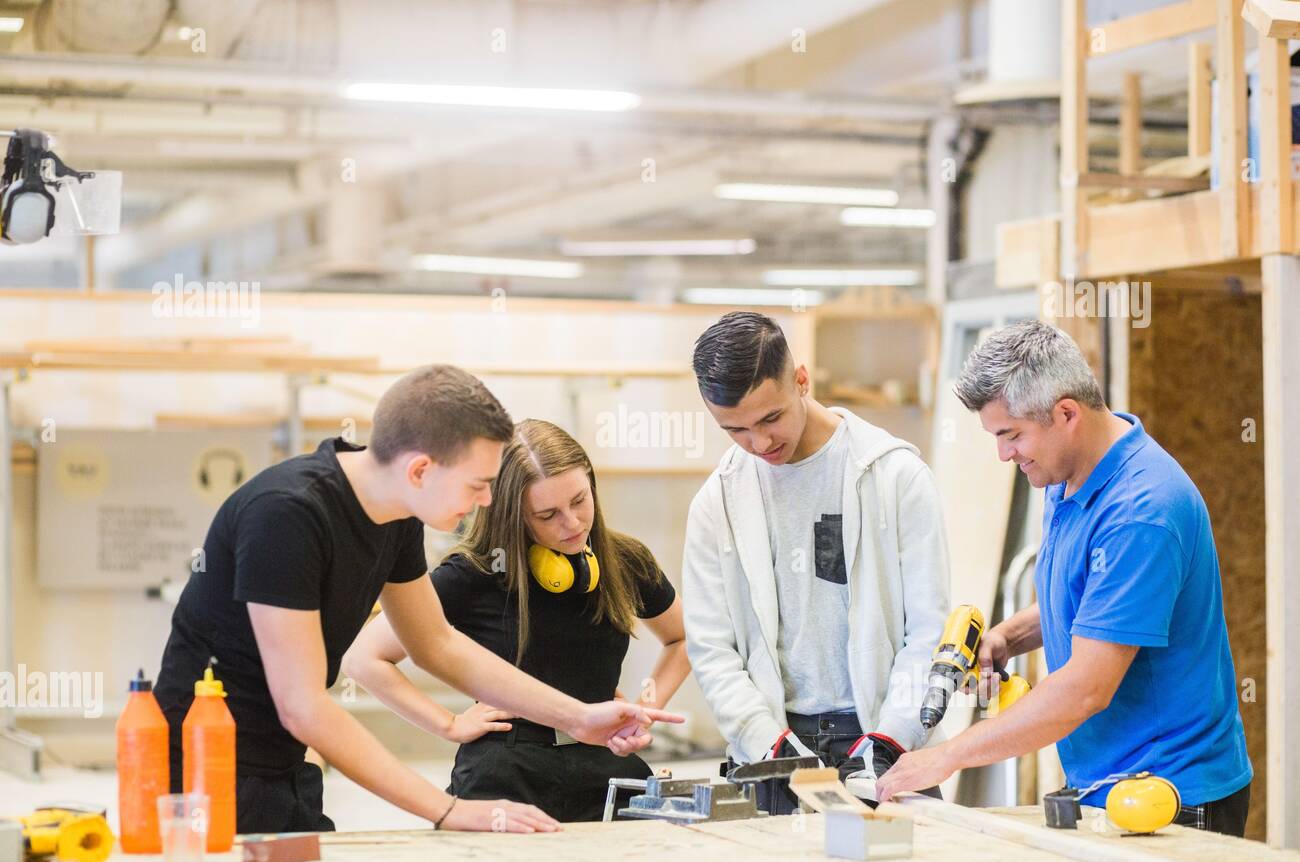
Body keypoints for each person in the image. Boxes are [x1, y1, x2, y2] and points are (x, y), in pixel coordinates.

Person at [154, 365, 681, 835]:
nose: (486, 502)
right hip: (206, 770)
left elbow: (437, 644)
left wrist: (577, 718)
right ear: (420, 470)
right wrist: (447, 810)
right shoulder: (287, 514)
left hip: (284, 767)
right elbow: (303, 706)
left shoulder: (395, 517)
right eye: (479, 484)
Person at [875, 322, 1253, 838]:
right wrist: (1013, 634)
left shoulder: (1141, 512)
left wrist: (946, 756)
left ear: (1066, 414)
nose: (1004, 455)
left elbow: (1085, 690)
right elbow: (1097, 601)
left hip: (1171, 797)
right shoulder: (1068, 470)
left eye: (1011, 435)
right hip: (1107, 784)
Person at [345, 419, 691, 822]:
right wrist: (450, 724)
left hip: (605, 768)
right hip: (505, 775)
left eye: (579, 500)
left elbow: (681, 640)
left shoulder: (625, 560)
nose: (573, 523)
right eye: (547, 514)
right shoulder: (472, 574)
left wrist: (644, 709)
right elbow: (363, 661)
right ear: (514, 516)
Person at [682, 311, 951, 812]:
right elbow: (712, 650)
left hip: (886, 740)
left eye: (770, 419)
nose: (760, 444)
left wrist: (892, 739)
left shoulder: (896, 477)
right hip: (773, 752)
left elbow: (929, 633)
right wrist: (768, 743)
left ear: (801, 381)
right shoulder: (716, 503)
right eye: (735, 430)